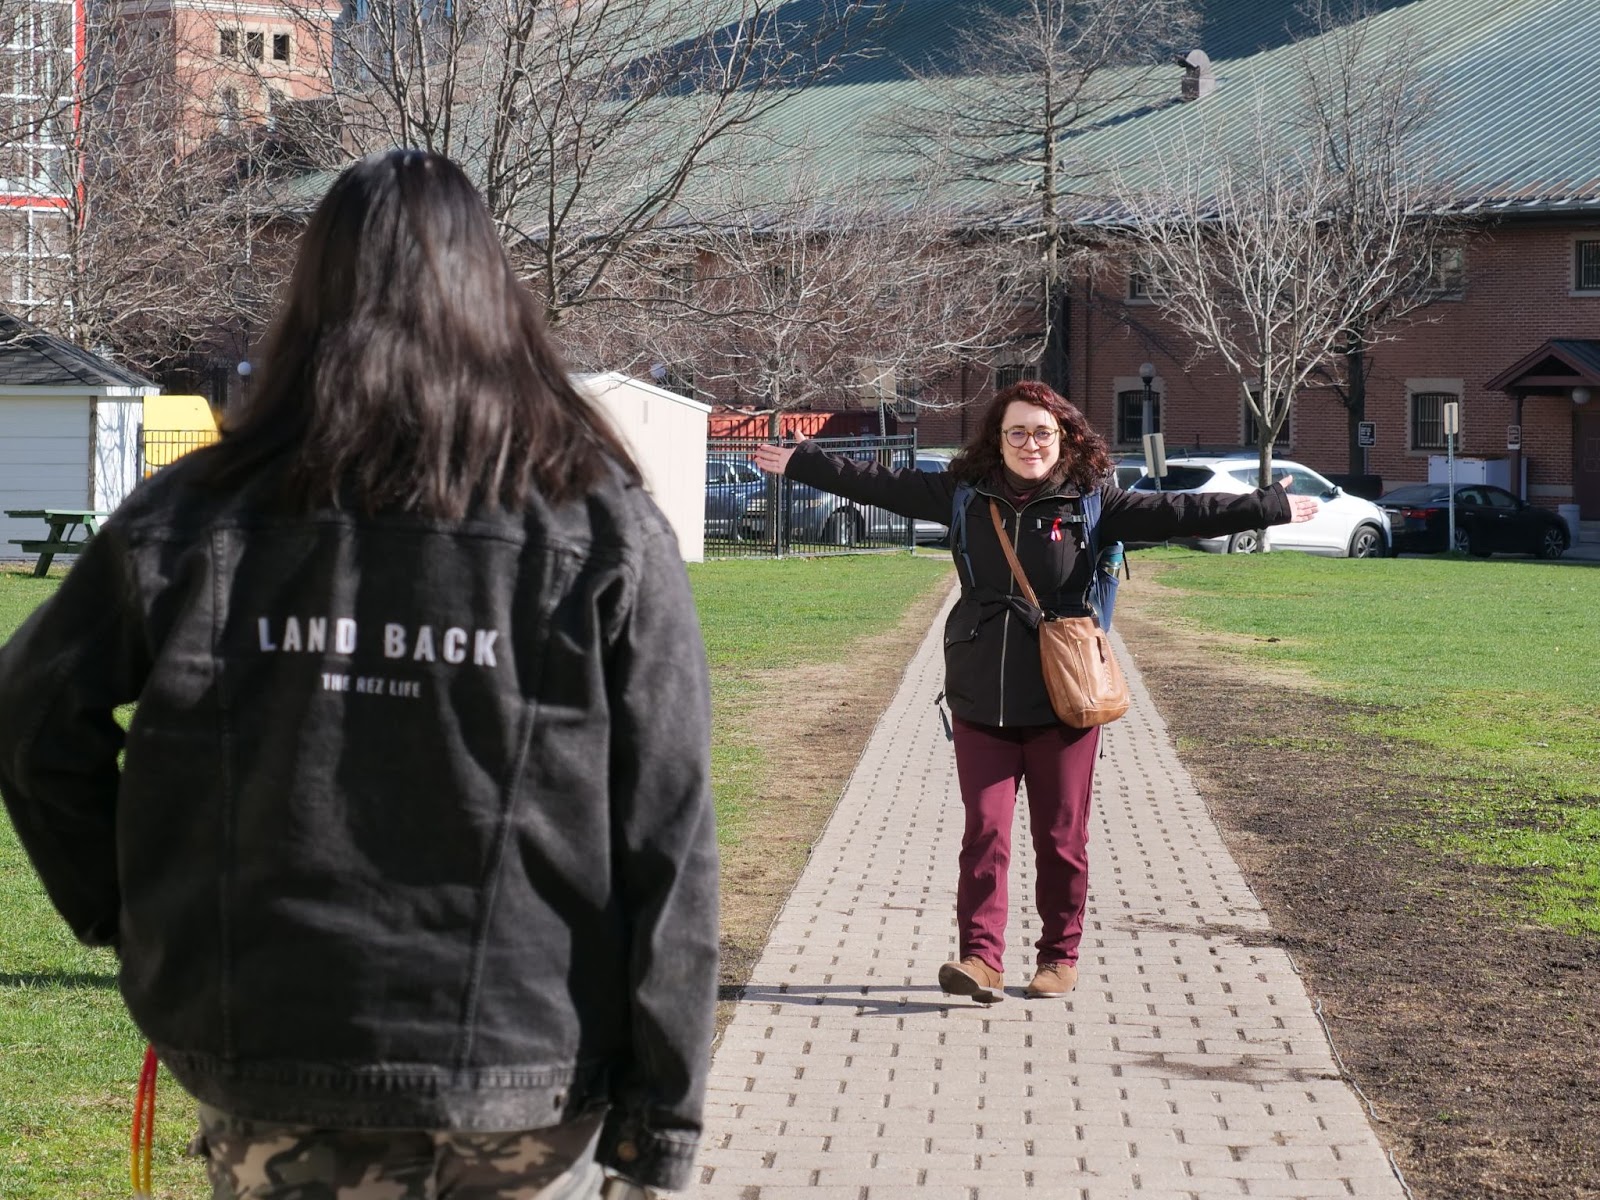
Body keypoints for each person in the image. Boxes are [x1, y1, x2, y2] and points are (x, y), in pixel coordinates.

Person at [0, 150, 717, 1198]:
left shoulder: (195, 514)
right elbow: (671, 840)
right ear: (494, 299)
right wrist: (663, 1126)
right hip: (520, 1070)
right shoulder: (601, 524)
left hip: (291, 1050)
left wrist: (135, 911)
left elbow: (29, 717)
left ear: (310, 301)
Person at [754, 380, 1315, 1004]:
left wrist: (1267, 505)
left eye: (1042, 432)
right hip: (980, 697)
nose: (1029, 444)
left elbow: (1180, 511)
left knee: (1060, 838)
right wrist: (806, 461)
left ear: (1065, 438)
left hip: (1064, 698)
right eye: (1016, 432)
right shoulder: (964, 494)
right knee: (985, 834)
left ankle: (1059, 956)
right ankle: (981, 959)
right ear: (998, 439)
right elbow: (881, 482)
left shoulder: (1091, 500)